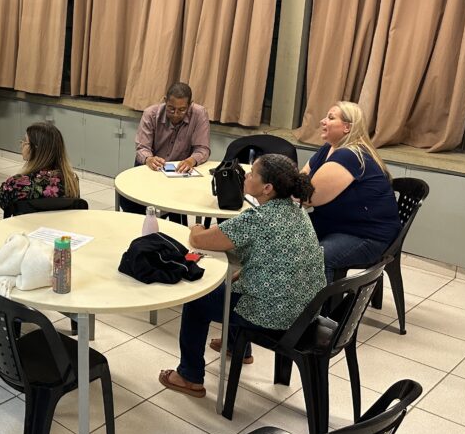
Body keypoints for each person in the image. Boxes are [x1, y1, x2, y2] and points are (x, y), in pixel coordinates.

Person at [158, 154, 325, 398]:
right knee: (238, 283)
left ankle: (189, 375)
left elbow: (199, 240)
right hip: (304, 309)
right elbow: (269, 261)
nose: (246, 175)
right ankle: (237, 346)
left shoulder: (256, 219)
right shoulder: (297, 211)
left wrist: (196, 227)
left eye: (252, 174)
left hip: (275, 315)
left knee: (197, 302)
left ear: (267, 188)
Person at [302, 101, 400, 283]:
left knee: (318, 257)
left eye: (330, 118)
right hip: (339, 223)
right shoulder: (329, 149)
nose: (323, 121)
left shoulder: (349, 155)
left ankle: (317, 309)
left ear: (347, 127)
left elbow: (306, 197)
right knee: (283, 236)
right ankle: (285, 296)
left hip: (366, 235)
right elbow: (300, 179)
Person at [119, 82, 211, 216]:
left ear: (190, 105)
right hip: (153, 170)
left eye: (182, 110)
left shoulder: (199, 114)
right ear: (165, 101)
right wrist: (149, 158)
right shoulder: (151, 114)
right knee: (129, 201)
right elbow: (142, 148)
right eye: (171, 108)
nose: (176, 114)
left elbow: (203, 149)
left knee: (177, 204)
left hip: (179, 174)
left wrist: (191, 160)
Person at [0, 122, 80, 214]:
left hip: (26, 236)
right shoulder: (71, 179)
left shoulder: (18, 183)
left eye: (25, 142)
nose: (21, 144)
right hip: (60, 238)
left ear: (35, 148)